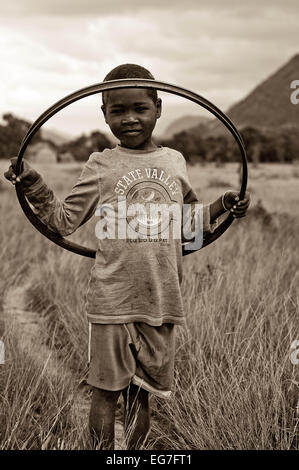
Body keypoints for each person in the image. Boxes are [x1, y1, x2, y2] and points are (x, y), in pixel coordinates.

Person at [4, 64, 250, 450]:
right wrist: (32, 182)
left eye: (140, 108)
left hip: (162, 300)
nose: (130, 118)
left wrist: (223, 204)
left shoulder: (175, 162)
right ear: (104, 113)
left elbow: (187, 223)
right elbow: (63, 221)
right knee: (105, 392)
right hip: (111, 301)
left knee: (142, 395)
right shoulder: (100, 165)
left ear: (159, 107)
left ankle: (132, 457)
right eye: (118, 111)